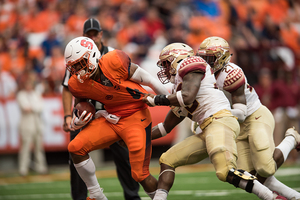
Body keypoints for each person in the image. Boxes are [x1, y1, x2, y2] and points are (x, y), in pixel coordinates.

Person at [142, 42, 287, 200]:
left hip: (219, 121)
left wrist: (156, 100)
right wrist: (139, 136)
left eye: (166, 63)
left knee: (225, 171)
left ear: (178, 58)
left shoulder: (191, 64)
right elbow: (165, 127)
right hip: (208, 128)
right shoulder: (180, 87)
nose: (164, 68)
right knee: (167, 159)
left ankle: (272, 198)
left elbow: (187, 97)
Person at [64, 36, 170, 200]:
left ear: (91, 56)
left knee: (139, 174)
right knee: (75, 147)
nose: (77, 69)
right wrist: (79, 118)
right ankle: (96, 194)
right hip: (111, 118)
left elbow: (148, 79)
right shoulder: (77, 83)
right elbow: (81, 104)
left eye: (80, 63)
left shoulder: (113, 61)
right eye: (73, 66)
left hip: (136, 116)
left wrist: (168, 99)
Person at [196, 36, 300, 199]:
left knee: (266, 168)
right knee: (249, 177)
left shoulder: (231, 74)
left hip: (253, 117)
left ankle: (291, 138)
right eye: (203, 57)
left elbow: (241, 112)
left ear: (222, 57)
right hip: (234, 124)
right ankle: (294, 196)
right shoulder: (201, 76)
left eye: (209, 58)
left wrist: (212, 120)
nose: (205, 62)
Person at [62, 18, 141, 200]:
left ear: (101, 34)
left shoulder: (113, 55)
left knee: (125, 159)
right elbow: (66, 87)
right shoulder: (75, 55)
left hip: (112, 115)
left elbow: (129, 82)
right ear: (83, 36)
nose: (93, 37)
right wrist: (68, 116)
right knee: (76, 155)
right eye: (88, 34)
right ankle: (80, 198)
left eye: (95, 34)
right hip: (84, 115)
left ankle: (132, 197)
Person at [17, 72, 48, 176]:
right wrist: (34, 107)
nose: (29, 86)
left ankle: (41, 167)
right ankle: (23, 169)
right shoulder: (21, 95)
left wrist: (32, 107)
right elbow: (25, 108)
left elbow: (40, 108)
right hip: (26, 125)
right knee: (25, 147)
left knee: (39, 147)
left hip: (37, 124)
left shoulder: (36, 94)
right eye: (27, 84)